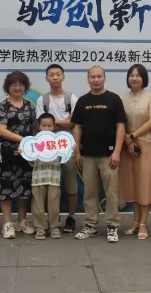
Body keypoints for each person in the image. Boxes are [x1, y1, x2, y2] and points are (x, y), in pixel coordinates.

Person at [72, 66, 127, 243]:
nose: (96, 80)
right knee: (89, 192)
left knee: (111, 192)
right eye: (92, 77)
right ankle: (91, 225)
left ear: (104, 78)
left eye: (99, 77)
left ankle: (112, 226)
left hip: (109, 155)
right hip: (87, 155)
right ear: (88, 79)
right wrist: (77, 152)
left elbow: (120, 127)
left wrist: (117, 152)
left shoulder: (114, 99)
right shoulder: (82, 101)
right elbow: (77, 127)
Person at [35, 64, 79, 234]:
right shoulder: (42, 100)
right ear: (46, 78)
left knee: (71, 185)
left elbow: (74, 124)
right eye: (51, 75)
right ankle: (52, 219)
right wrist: (64, 122)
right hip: (47, 150)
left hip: (68, 148)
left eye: (58, 74)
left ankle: (71, 217)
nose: (55, 77)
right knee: (49, 185)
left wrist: (54, 123)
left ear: (63, 77)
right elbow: (41, 125)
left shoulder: (71, 99)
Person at [119, 64, 151, 241]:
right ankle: (136, 221)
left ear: (144, 78)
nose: (134, 78)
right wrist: (127, 140)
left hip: (146, 144)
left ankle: (144, 223)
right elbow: (120, 122)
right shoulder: (122, 97)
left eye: (138, 75)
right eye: (131, 75)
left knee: (145, 184)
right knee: (134, 184)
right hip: (128, 147)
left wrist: (133, 136)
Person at [0, 71, 36, 239]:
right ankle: (7, 223)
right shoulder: (4, 106)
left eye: (21, 84)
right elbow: (1, 130)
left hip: (27, 155)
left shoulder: (30, 106)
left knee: (25, 188)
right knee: (6, 188)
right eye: (14, 84)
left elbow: (34, 129)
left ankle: (22, 221)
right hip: (8, 154)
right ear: (8, 87)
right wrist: (23, 140)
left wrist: (33, 145)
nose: (18, 88)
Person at [31, 113, 62, 240]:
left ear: (54, 127)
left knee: (54, 203)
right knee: (38, 204)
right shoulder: (33, 142)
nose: (46, 128)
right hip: (38, 177)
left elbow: (63, 159)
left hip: (54, 176)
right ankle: (40, 227)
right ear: (39, 126)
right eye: (44, 125)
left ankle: (54, 226)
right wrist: (25, 153)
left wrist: (68, 149)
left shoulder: (58, 142)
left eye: (49, 126)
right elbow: (31, 161)